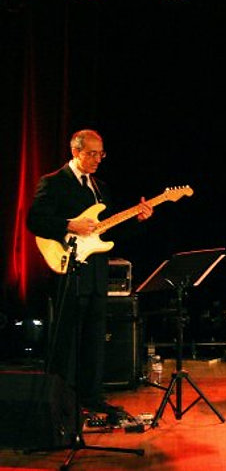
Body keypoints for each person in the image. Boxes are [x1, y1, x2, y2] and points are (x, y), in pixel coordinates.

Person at [26, 129, 153, 414]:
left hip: (96, 274)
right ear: (75, 152)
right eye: (91, 154)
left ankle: (91, 397)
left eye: (101, 154)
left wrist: (138, 219)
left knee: (94, 340)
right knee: (67, 340)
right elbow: (35, 220)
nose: (97, 159)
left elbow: (107, 231)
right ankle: (61, 401)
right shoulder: (54, 182)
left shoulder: (100, 187)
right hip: (70, 271)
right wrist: (69, 225)